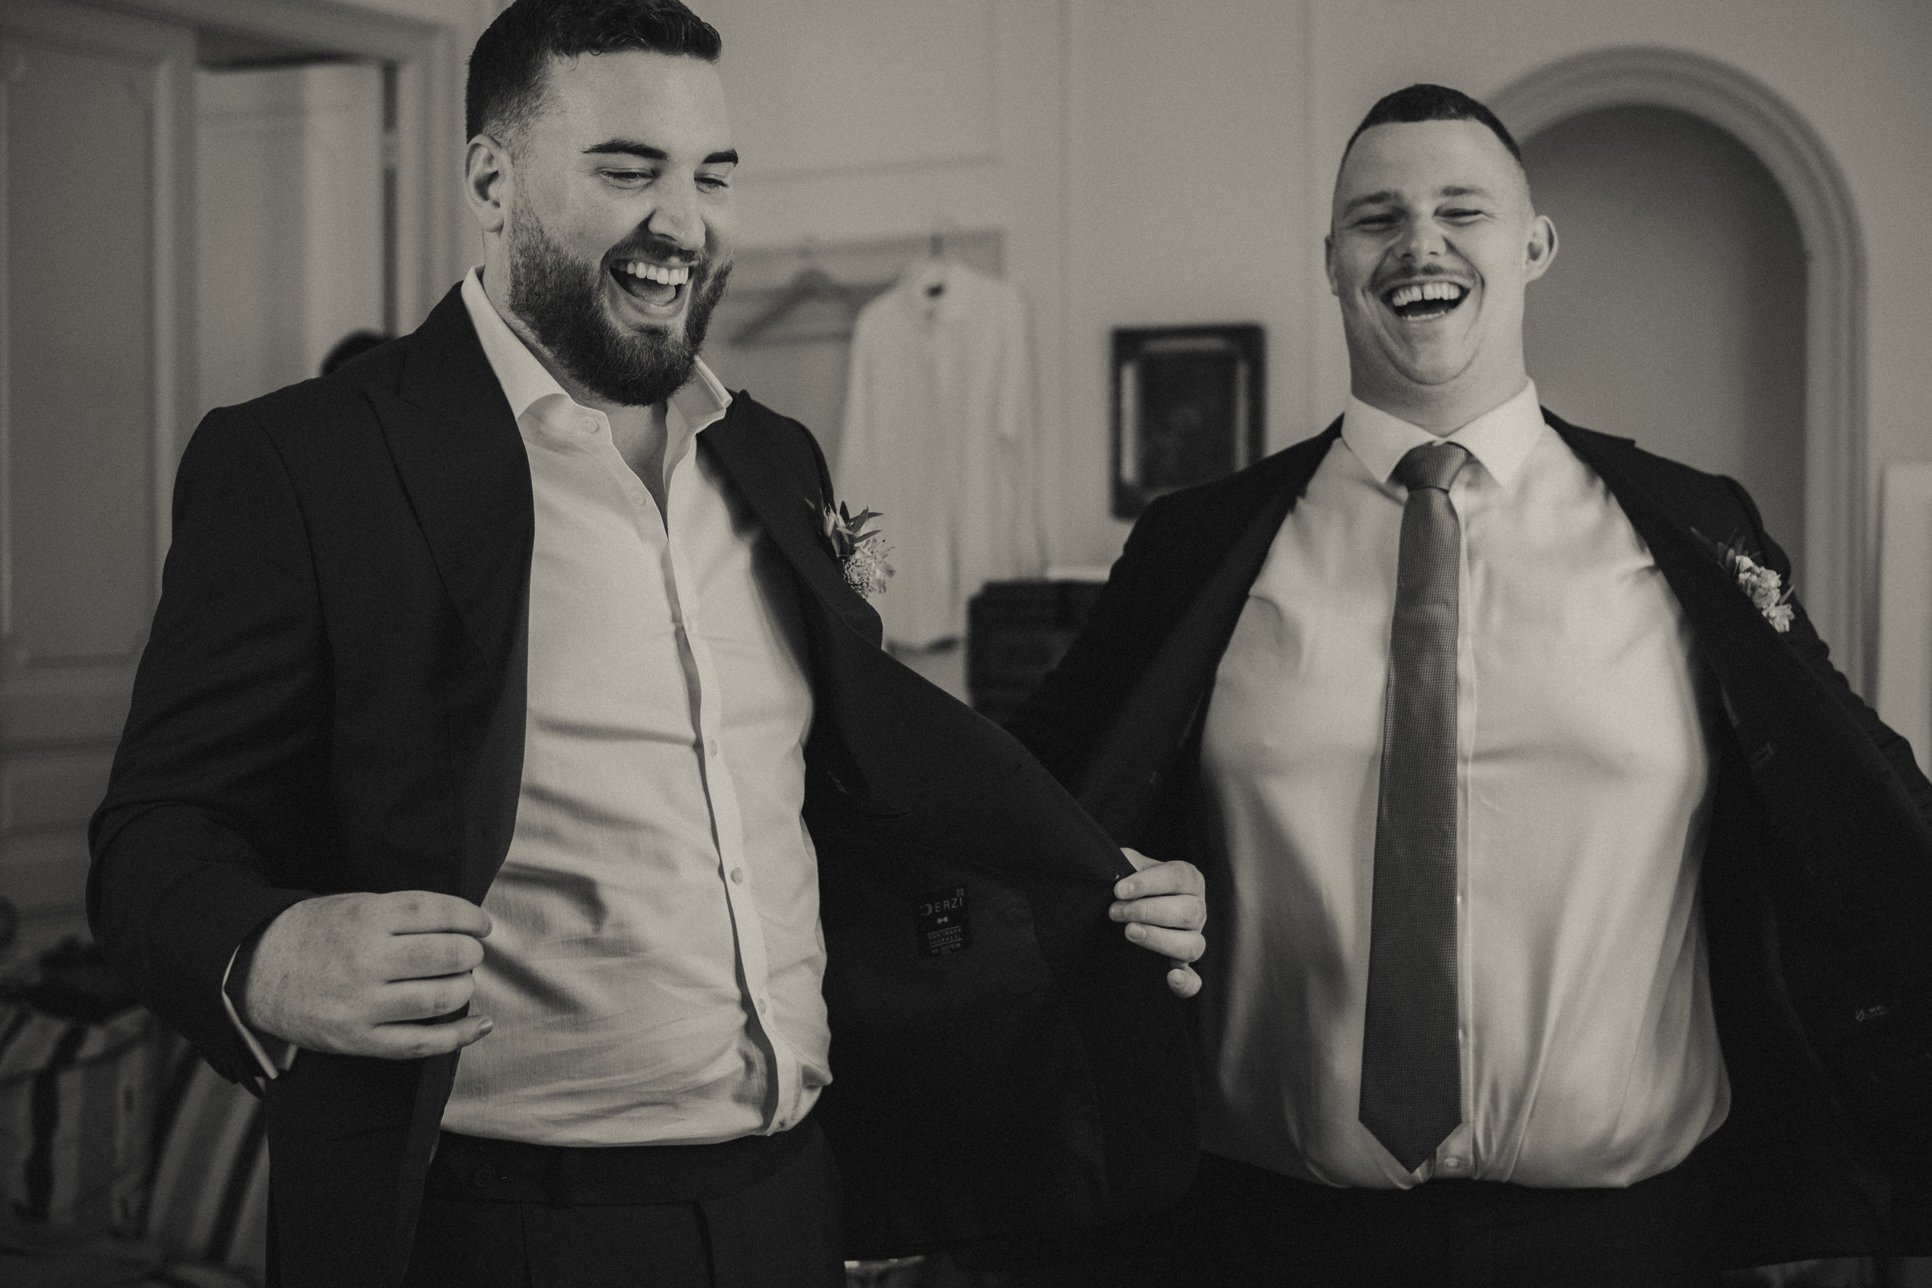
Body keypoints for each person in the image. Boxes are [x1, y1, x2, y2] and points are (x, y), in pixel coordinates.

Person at [87, 3, 1206, 1286]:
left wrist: (1088, 877)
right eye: (629, 169)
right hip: (503, 1224)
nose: (685, 220)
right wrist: (268, 957)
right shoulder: (307, 460)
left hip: (796, 1201)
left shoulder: (775, 458)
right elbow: (153, 833)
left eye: (712, 174)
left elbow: (850, 795)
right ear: (491, 181)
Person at [1010, 83, 1932, 1286]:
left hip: (1632, 1239)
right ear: (1333, 261)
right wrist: (1121, 888)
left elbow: (1856, 804)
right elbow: (1035, 810)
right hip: (1271, 1238)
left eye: (1462, 209)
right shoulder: (1199, 544)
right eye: (1376, 218)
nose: (1419, 244)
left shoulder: (1693, 530)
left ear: (1534, 244)